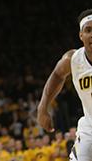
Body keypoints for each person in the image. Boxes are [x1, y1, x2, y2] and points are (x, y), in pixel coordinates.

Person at [37, 9, 92, 161]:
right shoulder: (73, 59)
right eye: (88, 30)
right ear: (81, 35)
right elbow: (57, 75)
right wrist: (43, 107)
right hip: (90, 126)